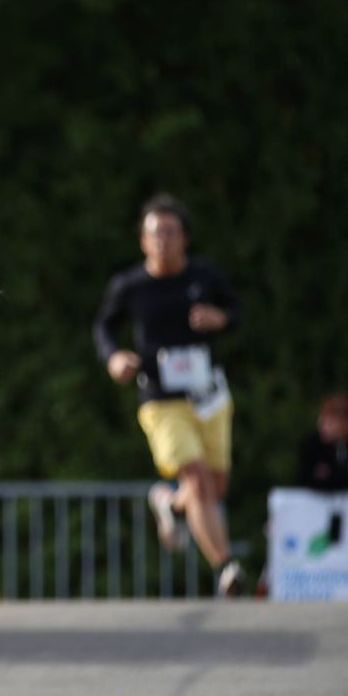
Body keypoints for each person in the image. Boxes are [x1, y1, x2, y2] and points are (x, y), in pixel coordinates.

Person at [92, 193, 248, 596]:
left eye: (171, 233)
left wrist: (221, 318)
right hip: (160, 399)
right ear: (143, 241)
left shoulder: (204, 275)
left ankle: (169, 501)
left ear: (185, 238)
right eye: (155, 233)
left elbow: (238, 310)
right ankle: (226, 566)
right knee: (197, 478)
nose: (163, 240)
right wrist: (114, 358)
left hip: (208, 395)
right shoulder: (130, 286)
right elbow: (104, 327)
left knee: (214, 487)